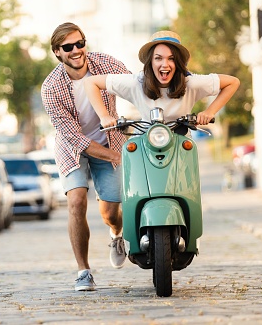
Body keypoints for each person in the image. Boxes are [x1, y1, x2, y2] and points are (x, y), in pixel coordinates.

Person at [41, 22, 131, 292]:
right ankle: (84, 272)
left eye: (80, 43)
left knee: (111, 211)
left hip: (109, 138)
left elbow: (136, 84)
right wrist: (119, 155)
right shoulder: (51, 88)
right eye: (69, 47)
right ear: (58, 52)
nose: (77, 50)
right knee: (77, 201)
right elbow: (75, 139)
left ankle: (116, 234)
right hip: (72, 149)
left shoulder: (105, 63)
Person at [84, 30, 240, 129]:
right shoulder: (136, 82)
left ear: (178, 63)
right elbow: (91, 82)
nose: (165, 64)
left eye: (171, 59)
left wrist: (209, 112)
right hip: (146, 142)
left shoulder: (190, 83)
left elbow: (233, 82)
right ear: (150, 62)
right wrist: (104, 116)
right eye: (158, 58)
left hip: (181, 143)